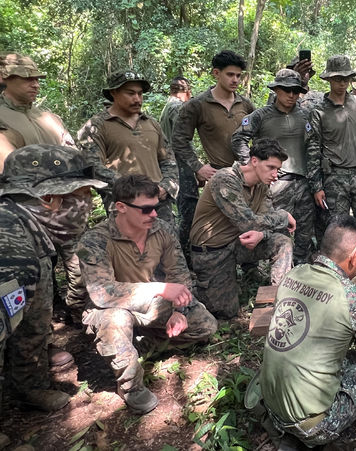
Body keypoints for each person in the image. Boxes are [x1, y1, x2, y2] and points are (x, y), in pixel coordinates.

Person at [257, 214, 356, 447]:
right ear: (352, 260)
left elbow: (328, 302)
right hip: (314, 426)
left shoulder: (294, 274)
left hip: (273, 408)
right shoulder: (355, 298)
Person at [77, 174, 218, 415]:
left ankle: (138, 347)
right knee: (116, 320)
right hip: (111, 308)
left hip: (150, 305)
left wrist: (178, 311)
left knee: (205, 326)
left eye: (156, 207)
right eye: (146, 209)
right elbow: (103, 294)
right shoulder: (95, 240)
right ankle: (130, 385)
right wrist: (159, 289)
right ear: (120, 207)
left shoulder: (161, 229)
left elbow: (179, 273)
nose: (154, 214)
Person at [0, 145, 106, 426]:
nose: (89, 204)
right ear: (49, 199)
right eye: (83, 196)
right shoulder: (14, 254)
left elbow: (31, 323)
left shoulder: (31, 227)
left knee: (33, 320)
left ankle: (28, 388)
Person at [0, 54, 89, 319]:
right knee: (38, 274)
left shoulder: (49, 117)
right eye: (26, 78)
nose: (35, 84)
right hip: (27, 213)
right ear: (5, 78)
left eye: (37, 78)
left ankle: (78, 311)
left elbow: (73, 155)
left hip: (69, 208)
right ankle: (46, 328)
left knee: (80, 267)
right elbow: (8, 171)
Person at [189, 138, 295, 319]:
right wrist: (284, 216)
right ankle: (194, 285)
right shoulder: (225, 179)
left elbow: (263, 221)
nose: (275, 174)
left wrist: (261, 234)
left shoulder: (262, 186)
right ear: (254, 161)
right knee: (226, 312)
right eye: (271, 167)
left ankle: (280, 300)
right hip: (211, 251)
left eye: (278, 169)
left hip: (238, 243)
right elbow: (250, 222)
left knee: (282, 242)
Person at [306, 55, 356, 276]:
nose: (341, 83)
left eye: (345, 78)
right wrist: (316, 186)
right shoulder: (318, 111)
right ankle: (336, 277)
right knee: (335, 231)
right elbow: (312, 150)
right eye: (337, 78)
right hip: (333, 178)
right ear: (329, 79)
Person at [231, 69, 315, 265]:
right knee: (275, 230)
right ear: (276, 90)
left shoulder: (305, 115)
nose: (291, 95)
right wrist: (254, 166)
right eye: (286, 90)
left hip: (303, 182)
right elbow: (238, 138)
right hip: (276, 183)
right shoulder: (261, 115)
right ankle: (274, 272)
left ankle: (301, 271)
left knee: (304, 230)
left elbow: (313, 145)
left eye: (296, 91)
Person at [77, 70, 179, 225]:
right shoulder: (96, 127)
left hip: (159, 204)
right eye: (130, 93)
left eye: (140, 93)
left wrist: (165, 187)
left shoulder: (151, 124)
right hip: (124, 205)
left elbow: (168, 161)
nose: (137, 99)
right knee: (129, 248)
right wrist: (133, 190)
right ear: (114, 93)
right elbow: (92, 167)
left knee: (165, 246)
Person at [172, 50, 255, 187]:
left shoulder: (245, 104)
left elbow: (261, 135)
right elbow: (179, 140)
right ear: (216, 73)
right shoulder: (197, 105)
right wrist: (198, 167)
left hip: (247, 173)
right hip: (219, 176)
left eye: (238, 75)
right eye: (230, 74)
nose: (235, 80)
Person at [0, 53, 75, 151]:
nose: (36, 85)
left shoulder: (51, 119)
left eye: (37, 79)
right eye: (28, 78)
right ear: (3, 78)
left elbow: (75, 157)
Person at [159, 76, 195, 264]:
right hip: (180, 164)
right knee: (189, 210)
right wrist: (196, 166)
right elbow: (183, 140)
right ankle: (186, 257)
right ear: (187, 92)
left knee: (184, 209)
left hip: (171, 164)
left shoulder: (167, 107)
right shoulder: (178, 108)